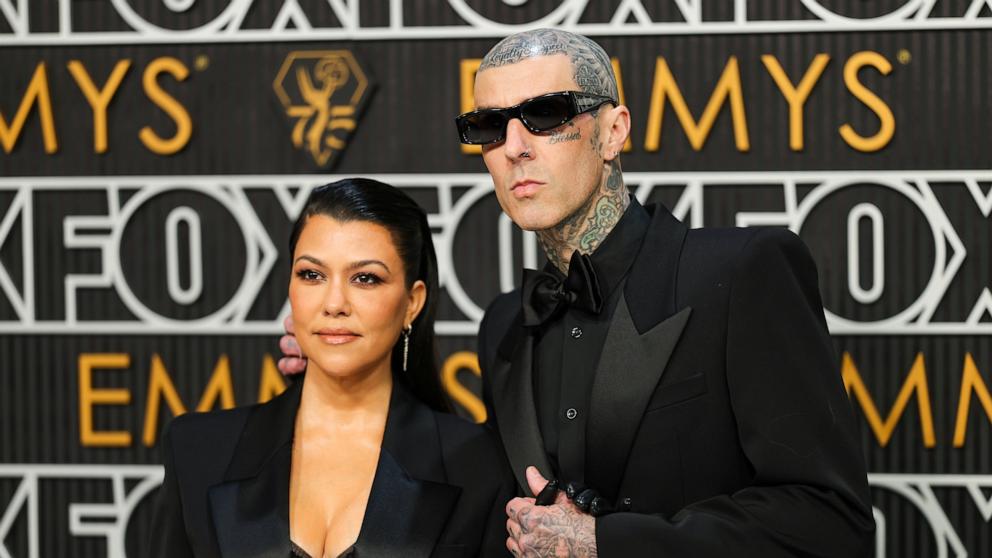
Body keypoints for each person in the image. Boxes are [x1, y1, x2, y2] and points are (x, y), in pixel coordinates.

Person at [282, 30, 875, 557]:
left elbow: (830, 519)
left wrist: (608, 544)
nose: (515, 146)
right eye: (490, 125)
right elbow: (462, 491)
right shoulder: (504, 326)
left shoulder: (741, 271)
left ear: (614, 131)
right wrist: (340, 362)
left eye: (546, 114)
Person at [151, 178, 515, 558]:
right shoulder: (197, 450)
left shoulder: (478, 465)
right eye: (312, 274)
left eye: (365, 278)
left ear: (412, 302)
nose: (334, 303)